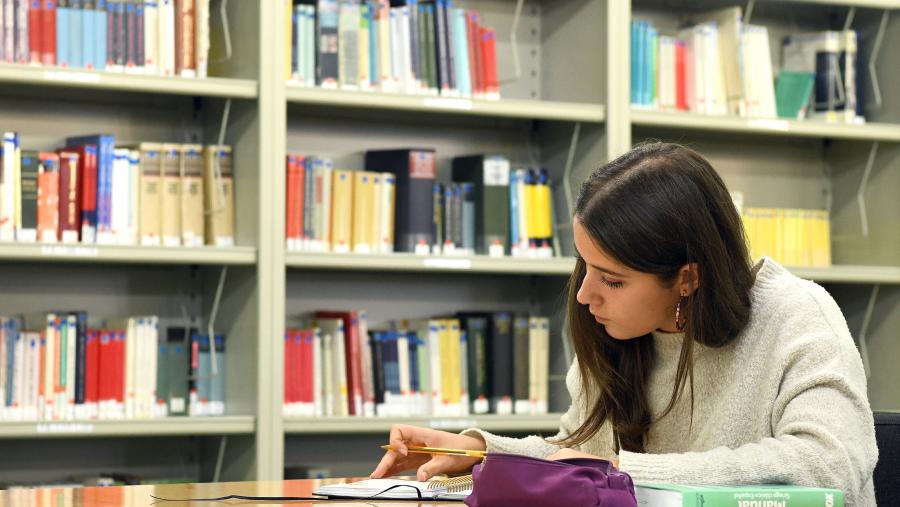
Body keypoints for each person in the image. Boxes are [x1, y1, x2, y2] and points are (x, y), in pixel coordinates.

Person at [370, 142, 878, 505]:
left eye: (612, 280)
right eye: (583, 264)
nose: (586, 293)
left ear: (687, 278)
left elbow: (830, 464)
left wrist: (629, 472)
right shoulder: (615, 327)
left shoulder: (798, 317)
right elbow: (582, 453)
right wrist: (482, 451)